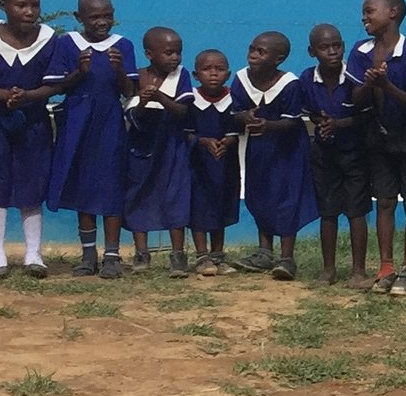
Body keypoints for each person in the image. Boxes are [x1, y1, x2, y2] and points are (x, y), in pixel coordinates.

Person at [0, 0, 72, 279]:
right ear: (4, 6)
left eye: (35, 5)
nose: (29, 11)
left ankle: (33, 254)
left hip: (33, 123)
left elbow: (54, 84)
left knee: (32, 185)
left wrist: (26, 97)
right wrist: (3, 96)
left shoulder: (50, 39)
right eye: (21, 5)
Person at [48, 0, 134, 280]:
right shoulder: (67, 44)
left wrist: (119, 69)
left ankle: (112, 255)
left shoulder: (122, 46)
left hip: (109, 122)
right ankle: (88, 255)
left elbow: (129, 92)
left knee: (110, 185)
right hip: (77, 121)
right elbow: (58, 86)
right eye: (95, 17)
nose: (102, 22)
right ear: (79, 18)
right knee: (83, 186)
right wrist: (79, 72)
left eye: (107, 15)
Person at [348, 0, 406, 297]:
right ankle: (385, 266)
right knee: (383, 201)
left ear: (392, 13)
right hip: (377, 138)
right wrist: (369, 84)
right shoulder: (360, 51)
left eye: (370, 11)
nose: (364, 17)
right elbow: (355, 99)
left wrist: (386, 85)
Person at [233, 31, 316, 281]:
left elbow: (292, 122)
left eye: (262, 52)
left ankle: (286, 257)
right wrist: (244, 117)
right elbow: (236, 112)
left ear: (278, 58)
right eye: (252, 49)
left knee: (287, 200)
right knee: (260, 196)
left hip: (288, 151)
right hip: (258, 150)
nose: (254, 55)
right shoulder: (240, 79)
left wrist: (267, 125)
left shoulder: (290, 84)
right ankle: (264, 252)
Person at [299, 23, 368, 285]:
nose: (332, 52)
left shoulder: (356, 75)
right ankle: (328, 270)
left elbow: (367, 115)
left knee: (356, 210)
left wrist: (339, 124)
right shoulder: (307, 79)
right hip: (324, 152)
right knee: (328, 212)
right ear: (312, 51)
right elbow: (310, 112)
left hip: (354, 151)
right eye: (324, 47)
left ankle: (359, 271)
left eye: (336, 46)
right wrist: (323, 122)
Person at [121, 27, 194, 276]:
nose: (175, 58)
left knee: (175, 197)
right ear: (149, 54)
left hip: (173, 147)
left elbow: (183, 112)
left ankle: (178, 255)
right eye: (169, 53)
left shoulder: (181, 77)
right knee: (137, 195)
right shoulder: (137, 77)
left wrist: (161, 98)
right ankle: (142, 253)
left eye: (178, 53)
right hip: (142, 149)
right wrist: (142, 102)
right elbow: (131, 115)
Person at [186, 49, 241, 276]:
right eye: (207, 69)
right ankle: (202, 256)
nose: (213, 74)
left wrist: (226, 142)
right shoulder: (190, 100)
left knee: (221, 203)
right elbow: (185, 132)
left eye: (219, 69)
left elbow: (237, 128)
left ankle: (218, 256)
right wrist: (203, 141)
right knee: (198, 205)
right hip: (197, 163)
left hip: (225, 163)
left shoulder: (233, 99)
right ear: (196, 74)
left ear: (227, 74)